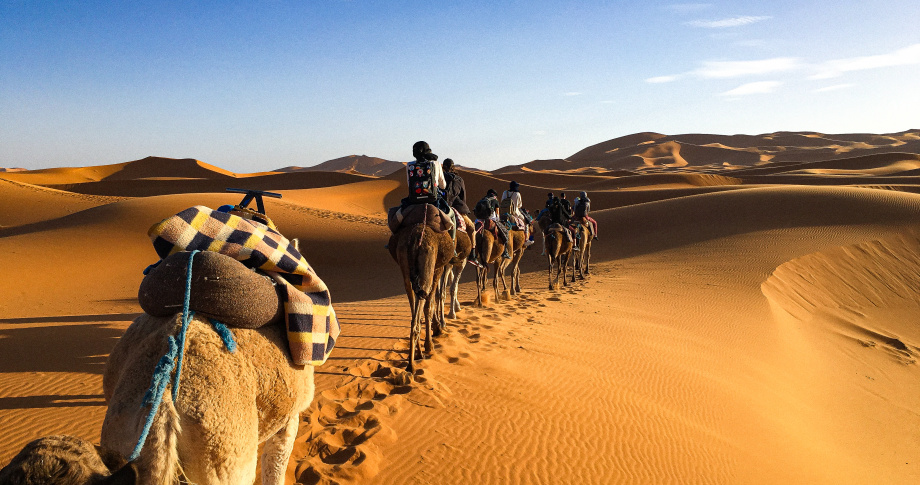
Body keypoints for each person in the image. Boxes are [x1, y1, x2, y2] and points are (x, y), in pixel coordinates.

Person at [442, 158, 478, 264]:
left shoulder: (439, 177)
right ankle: (473, 254)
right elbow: (463, 197)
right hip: (457, 207)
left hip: (441, 206)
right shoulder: (458, 179)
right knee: (471, 228)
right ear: (453, 167)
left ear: (443, 167)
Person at [473, 189, 510, 259]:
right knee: (505, 232)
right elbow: (497, 214)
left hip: (479, 220)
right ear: (495, 195)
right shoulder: (495, 201)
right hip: (491, 220)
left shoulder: (482, 200)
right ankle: (505, 251)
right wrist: (498, 220)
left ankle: (472, 252)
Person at [500, 181, 533, 246]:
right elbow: (519, 205)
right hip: (515, 213)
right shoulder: (517, 194)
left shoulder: (505, 192)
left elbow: (502, 201)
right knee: (526, 221)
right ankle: (526, 239)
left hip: (504, 212)